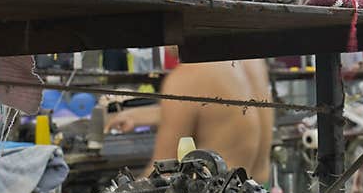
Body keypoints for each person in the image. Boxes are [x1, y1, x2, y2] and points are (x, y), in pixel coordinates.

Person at [107, 60, 273, 184]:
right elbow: (220, 111)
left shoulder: (188, 75)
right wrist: (144, 114)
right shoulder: (252, 61)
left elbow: (161, 174)